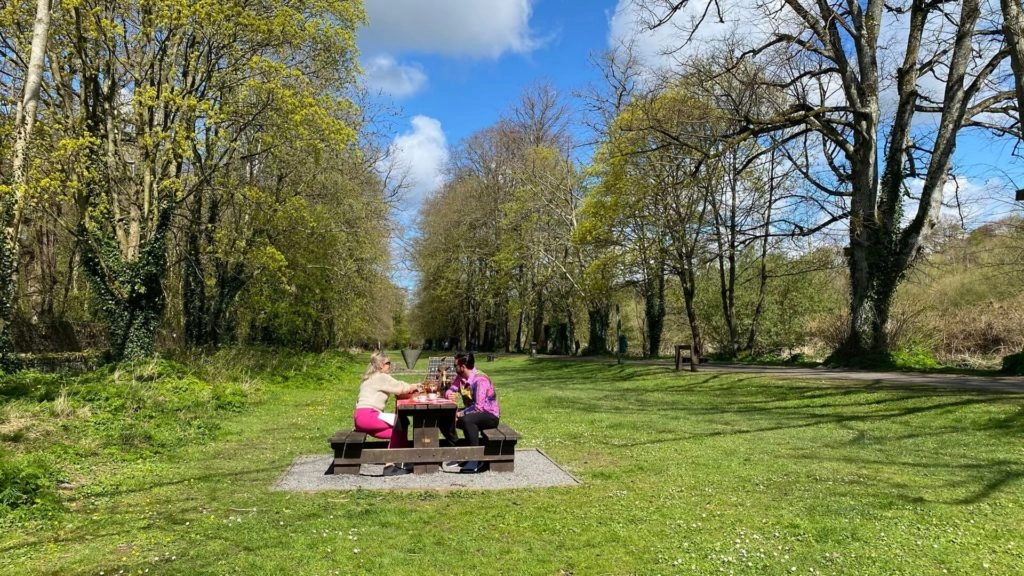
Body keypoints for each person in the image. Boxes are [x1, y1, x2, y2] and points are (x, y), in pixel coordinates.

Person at [353, 351, 420, 476]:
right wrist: (414, 386)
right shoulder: (380, 376)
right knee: (399, 423)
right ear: (381, 365)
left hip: (360, 417)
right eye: (388, 363)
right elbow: (400, 387)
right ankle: (390, 465)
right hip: (369, 415)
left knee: (400, 427)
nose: (390, 365)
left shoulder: (368, 378)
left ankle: (404, 460)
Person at [443, 351, 500, 473]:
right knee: (444, 417)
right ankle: (459, 452)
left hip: (489, 415)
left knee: (467, 420)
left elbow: (478, 407)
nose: (454, 368)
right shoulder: (461, 378)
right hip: (473, 412)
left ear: (462, 367)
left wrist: (460, 414)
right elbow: (450, 389)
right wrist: (449, 395)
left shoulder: (480, 380)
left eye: (455, 365)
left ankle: (476, 459)